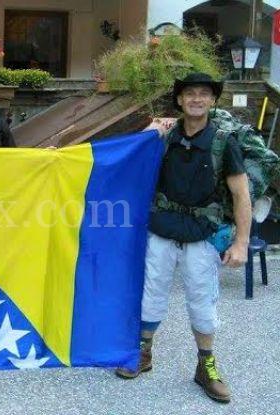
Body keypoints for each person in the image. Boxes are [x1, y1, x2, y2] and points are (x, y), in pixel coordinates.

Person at [116, 73, 251, 404]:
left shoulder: (224, 142)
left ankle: (206, 366)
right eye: (190, 93)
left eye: (204, 94)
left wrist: (241, 243)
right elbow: (129, 159)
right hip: (161, 229)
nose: (196, 99)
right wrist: (150, 131)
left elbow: (241, 194)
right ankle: (143, 353)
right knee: (151, 295)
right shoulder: (164, 136)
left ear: (212, 101)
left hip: (201, 234)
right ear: (179, 100)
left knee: (202, 302)